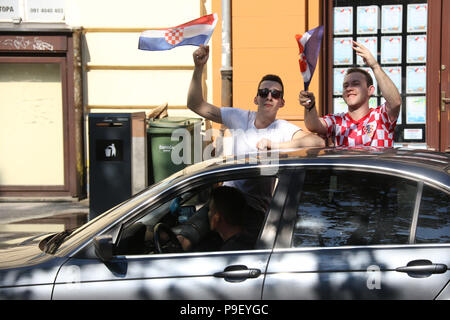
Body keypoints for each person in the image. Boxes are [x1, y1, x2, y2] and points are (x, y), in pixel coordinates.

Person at [187, 45, 325, 153]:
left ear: (282, 103)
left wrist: (275, 146)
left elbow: (318, 142)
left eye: (275, 94)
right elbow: (195, 105)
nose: (269, 97)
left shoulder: (283, 128)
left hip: (261, 191)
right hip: (231, 189)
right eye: (264, 92)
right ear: (256, 99)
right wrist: (199, 67)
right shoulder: (239, 117)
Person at [299, 41, 402, 147]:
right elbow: (314, 125)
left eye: (356, 84)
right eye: (345, 86)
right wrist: (310, 106)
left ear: (370, 90)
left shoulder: (380, 117)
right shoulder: (337, 121)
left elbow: (395, 102)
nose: (349, 88)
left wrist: (375, 66)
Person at [178, 186, 256, 252]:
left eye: (210, 210)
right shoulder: (249, 240)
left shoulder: (228, 252)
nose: (208, 214)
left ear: (216, 218)